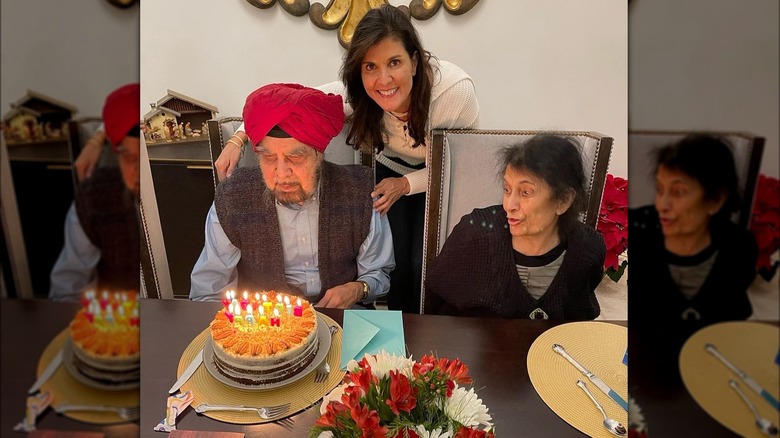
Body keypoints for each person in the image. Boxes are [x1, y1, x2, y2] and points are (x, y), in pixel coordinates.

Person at [213, 4, 479, 313]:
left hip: (440, 175)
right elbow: (288, 106)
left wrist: (405, 185)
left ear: (415, 62)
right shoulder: (355, 94)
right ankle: (399, 320)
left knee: (423, 263)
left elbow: (460, 162)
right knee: (399, 261)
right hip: (388, 167)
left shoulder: (455, 94)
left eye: (394, 62)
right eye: (370, 67)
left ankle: (418, 330)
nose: (384, 80)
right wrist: (239, 138)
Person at [189, 83, 395, 309]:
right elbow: (208, 290)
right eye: (268, 158)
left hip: (343, 318)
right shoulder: (233, 198)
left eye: (296, 157)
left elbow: (378, 275)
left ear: (319, 155)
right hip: (265, 327)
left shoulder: (360, 192)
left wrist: (359, 289)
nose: (281, 173)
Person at [424, 135, 606, 320]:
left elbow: (580, 320)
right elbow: (434, 299)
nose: (509, 205)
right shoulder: (474, 235)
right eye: (507, 189)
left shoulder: (588, 249)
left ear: (563, 200)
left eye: (526, 192)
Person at [628, 135, 757, 385]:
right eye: (660, 189)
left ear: (715, 200)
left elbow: (730, 326)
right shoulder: (640, 233)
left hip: (716, 369)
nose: (662, 204)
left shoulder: (738, 247)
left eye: (677, 192)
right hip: (648, 374)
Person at [49, 83, 141, 302]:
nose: (139, 172)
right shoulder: (94, 200)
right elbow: (68, 289)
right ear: (116, 155)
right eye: (129, 159)